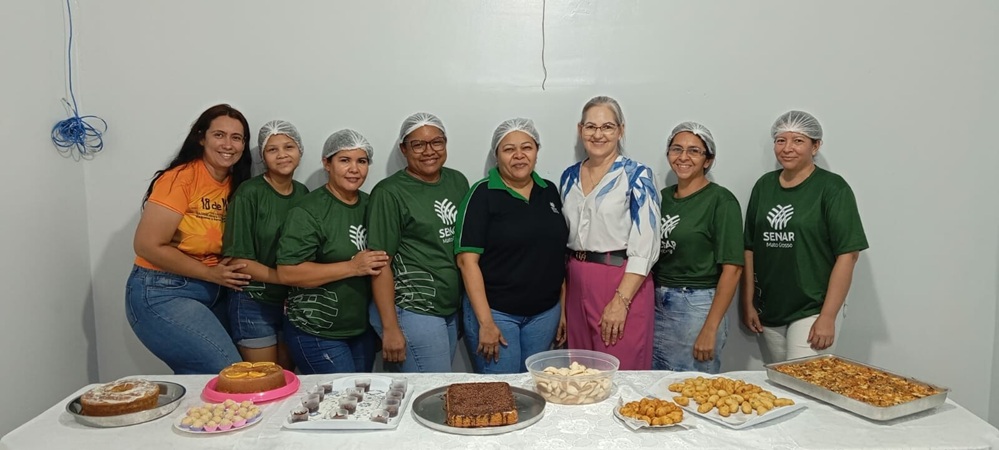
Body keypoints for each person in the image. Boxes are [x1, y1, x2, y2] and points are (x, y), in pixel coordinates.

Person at [126, 103, 252, 374]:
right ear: (201, 137)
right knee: (231, 374)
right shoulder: (180, 179)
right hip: (163, 290)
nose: (228, 144)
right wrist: (212, 274)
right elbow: (147, 245)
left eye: (236, 137)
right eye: (219, 135)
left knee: (208, 382)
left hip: (213, 291)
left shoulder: (237, 184)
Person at [742, 110, 868, 363]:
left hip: (813, 308)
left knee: (805, 385)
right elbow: (749, 248)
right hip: (771, 309)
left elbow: (848, 255)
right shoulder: (764, 186)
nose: (787, 148)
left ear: (816, 146)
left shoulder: (833, 188)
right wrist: (748, 302)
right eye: (781, 140)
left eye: (798, 141)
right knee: (781, 384)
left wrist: (828, 316)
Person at [454, 118, 569, 374]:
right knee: (501, 394)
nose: (519, 155)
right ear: (497, 155)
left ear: (537, 151)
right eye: (508, 149)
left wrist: (562, 310)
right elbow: (466, 262)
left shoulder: (549, 191)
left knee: (534, 390)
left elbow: (558, 255)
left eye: (526, 147)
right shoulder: (482, 195)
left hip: (545, 314)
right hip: (497, 314)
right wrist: (485, 322)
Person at [559, 96, 661, 370]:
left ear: (620, 130)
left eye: (607, 127)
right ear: (580, 130)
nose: (598, 134)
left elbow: (646, 244)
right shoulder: (568, 177)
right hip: (576, 278)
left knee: (619, 372)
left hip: (620, 279)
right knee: (580, 373)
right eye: (591, 127)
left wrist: (621, 301)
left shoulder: (637, 176)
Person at [275, 129, 387, 374]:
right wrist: (352, 267)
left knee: (361, 402)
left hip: (360, 329)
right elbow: (287, 272)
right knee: (338, 404)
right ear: (327, 163)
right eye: (344, 160)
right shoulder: (308, 211)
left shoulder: (373, 204)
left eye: (362, 161)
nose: (354, 169)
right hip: (316, 330)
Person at [367, 112, 470, 372]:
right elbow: (380, 263)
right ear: (404, 149)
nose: (429, 151)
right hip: (413, 308)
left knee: (435, 387)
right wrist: (390, 328)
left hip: (447, 307)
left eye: (437, 142)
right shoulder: (389, 193)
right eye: (418, 144)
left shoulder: (457, 182)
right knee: (430, 393)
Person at [651, 122, 744, 373]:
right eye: (676, 149)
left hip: (696, 306)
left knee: (689, 389)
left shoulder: (720, 201)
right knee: (656, 386)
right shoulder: (660, 198)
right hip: (656, 302)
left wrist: (710, 328)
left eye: (694, 151)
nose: (683, 157)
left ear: (708, 160)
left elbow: (733, 269)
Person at [221, 120, 309, 369]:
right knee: (264, 379)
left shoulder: (304, 194)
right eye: (272, 149)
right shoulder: (249, 193)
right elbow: (238, 261)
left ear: (300, 151)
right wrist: (290, 277)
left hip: (292, 306)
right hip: (253, 302)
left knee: (288, 377)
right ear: (262, 156)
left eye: (289, 147)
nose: (282, 155)